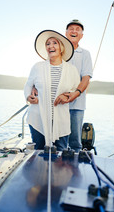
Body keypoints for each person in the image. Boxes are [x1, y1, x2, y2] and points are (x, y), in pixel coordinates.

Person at [24, 30, 80, 151]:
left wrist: (68, 96)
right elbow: (28, 85)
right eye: (48, 44)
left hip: (61, 119)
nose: (51, 46)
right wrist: (29, 97)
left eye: (54, 43)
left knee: (60, 154)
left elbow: (75, 90)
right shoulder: (37, 67)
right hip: (38, 117)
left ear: (61, 48)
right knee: (39, 153)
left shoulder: (72, 70)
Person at [54, 19, 93, 152]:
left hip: (77, 104)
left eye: (78, 29)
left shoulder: (85, 54)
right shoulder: (58, 51)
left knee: (75, 142)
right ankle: (57, 169)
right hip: (58, 103)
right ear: (66, 33)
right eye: (71, 28)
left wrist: (75, 94)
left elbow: (86, 77)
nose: (74, 31)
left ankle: (74, 170)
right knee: (58, 140)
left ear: (82, 35)